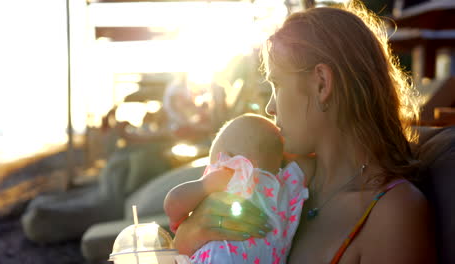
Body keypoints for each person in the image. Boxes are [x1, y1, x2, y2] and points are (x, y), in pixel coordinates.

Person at [172, 2, 436, 263]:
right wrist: (193, 232)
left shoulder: (392, 213)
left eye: (277, 84)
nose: (270, 107)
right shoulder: (281, 178)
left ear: (322, 84)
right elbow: (184, 249)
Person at [164, 114, 311, 263]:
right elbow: (312, 164)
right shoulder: (286, 188)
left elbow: (174, 202)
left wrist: (179, 219)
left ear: (226, 160)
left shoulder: (229, 174)